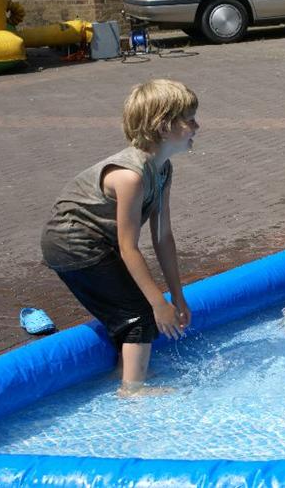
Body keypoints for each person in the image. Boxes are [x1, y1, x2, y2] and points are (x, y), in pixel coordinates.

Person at [41, 79, 199, 396]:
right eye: (189, 119)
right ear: (164, 126)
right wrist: (158, 304)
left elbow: (162, 237)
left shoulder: (163, 169)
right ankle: (132, 391)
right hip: (72, 243)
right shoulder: (130, 176)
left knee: (131, 309)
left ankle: (123, 373)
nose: (197, 126)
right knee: (139, 314)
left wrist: (177, 296)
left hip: (98, 242)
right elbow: (129, 248)